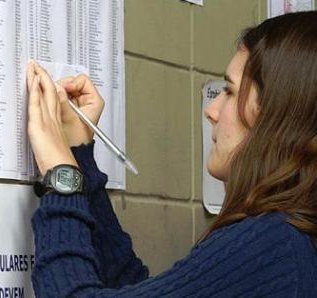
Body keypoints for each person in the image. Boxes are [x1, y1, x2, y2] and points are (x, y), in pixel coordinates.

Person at [26, 11, 317, 298]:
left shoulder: (273, 245)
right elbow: (132, 288)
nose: (211, 111)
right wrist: (79, 157)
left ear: (274, 115)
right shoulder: (294, 239)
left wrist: (62, 174)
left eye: (229, 92)